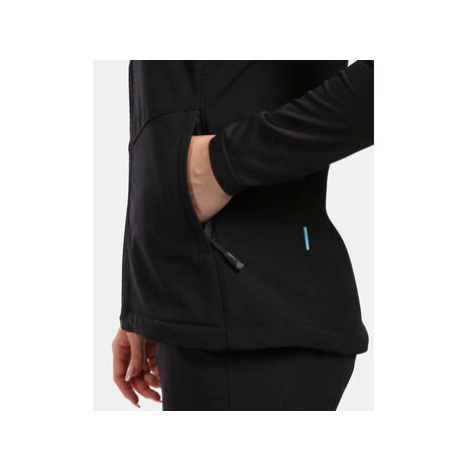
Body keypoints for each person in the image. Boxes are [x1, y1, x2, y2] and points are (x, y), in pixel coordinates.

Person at [112, 60, 374, 410]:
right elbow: (167, 124)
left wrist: (225, 161)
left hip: (255, 321)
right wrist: (146, 294)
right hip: (201, 312)